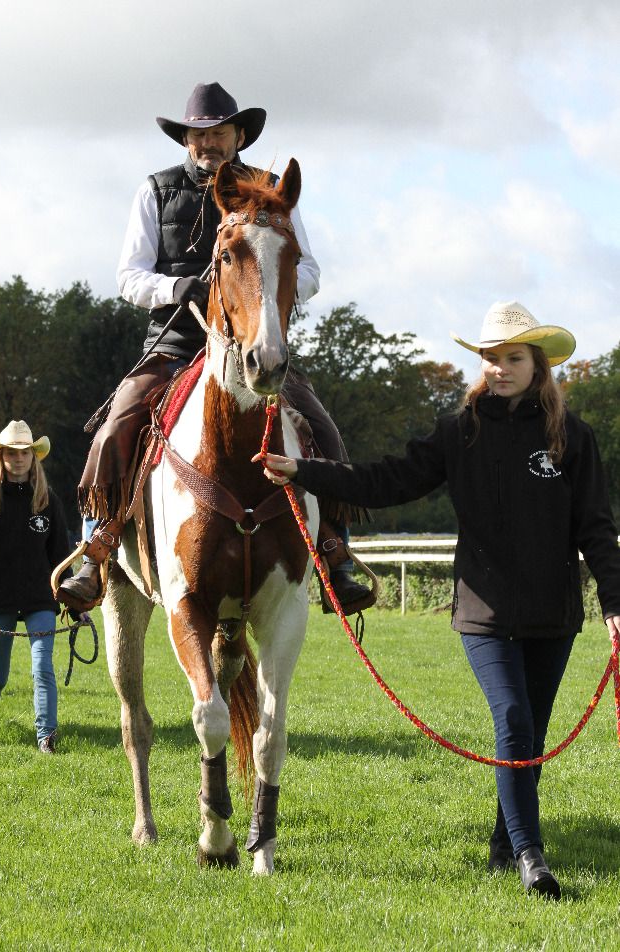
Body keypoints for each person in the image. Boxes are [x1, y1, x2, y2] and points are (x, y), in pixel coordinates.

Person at [258, 300, 620, 900]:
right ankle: (532, 857)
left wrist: (614, 602)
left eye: (512, 358)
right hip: (485, 612)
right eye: (491, 358)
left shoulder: (572, 438)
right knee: (511, 720)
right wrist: (305, 471)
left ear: (538, 365)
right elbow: (386, 480)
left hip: (554, 613)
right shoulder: (460, 432)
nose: (499, 369)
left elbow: (596, 529)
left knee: (528, 737)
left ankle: (505, 845)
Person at [57, 81, 372, 615]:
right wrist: (176, 288)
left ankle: (334, 548)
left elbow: (310, 268)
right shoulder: (154, 190)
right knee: (115, 429)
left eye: (218, 133)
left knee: (322, 429)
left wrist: (273, 292)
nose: (207, 144)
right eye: (196, 136)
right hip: (176, 345)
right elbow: (129, 276)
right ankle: (98, 544)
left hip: (253, 349)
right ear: (185, 141)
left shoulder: (273, 190)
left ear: (239, 134)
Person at [0, 420, 72, 753]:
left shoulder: (49, 501)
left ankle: (46, 736)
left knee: (42, 668)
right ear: (1, 456)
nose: (19, 459)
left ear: (34, 457)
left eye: (25, 453)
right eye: (12, 453)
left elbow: (61, 557)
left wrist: (74, 603)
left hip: (40, 598)